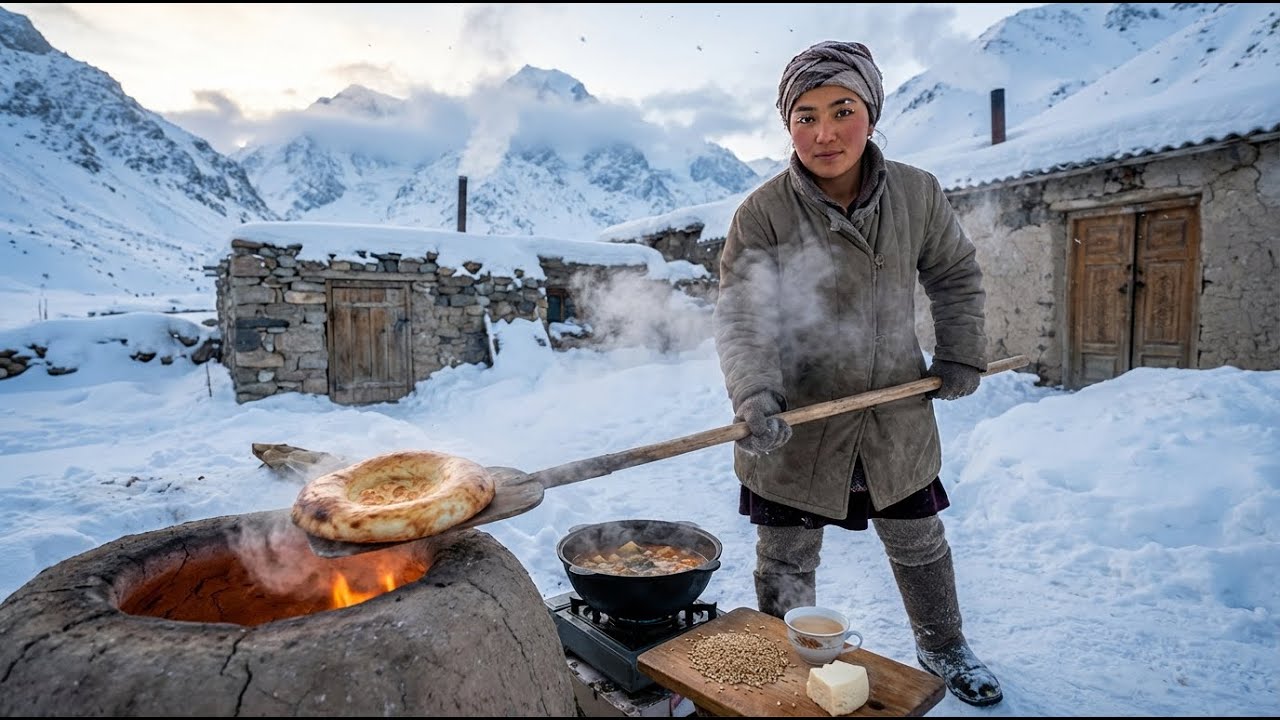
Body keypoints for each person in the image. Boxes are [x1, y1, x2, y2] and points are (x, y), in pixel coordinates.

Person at [712, 40, 1002, 707]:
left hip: (893, 414)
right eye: (805, 116)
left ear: (870, 111)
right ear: (788, 126)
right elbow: (742, 315)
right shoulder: (763, 214)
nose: (824, 133)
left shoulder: (917, 193)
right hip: (797, 424)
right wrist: (754, 392)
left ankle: (943, 642)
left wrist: (960, 352)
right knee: (785, 554)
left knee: (918, 537)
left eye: (841, 110)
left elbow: (954, 273)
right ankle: (790, 663)